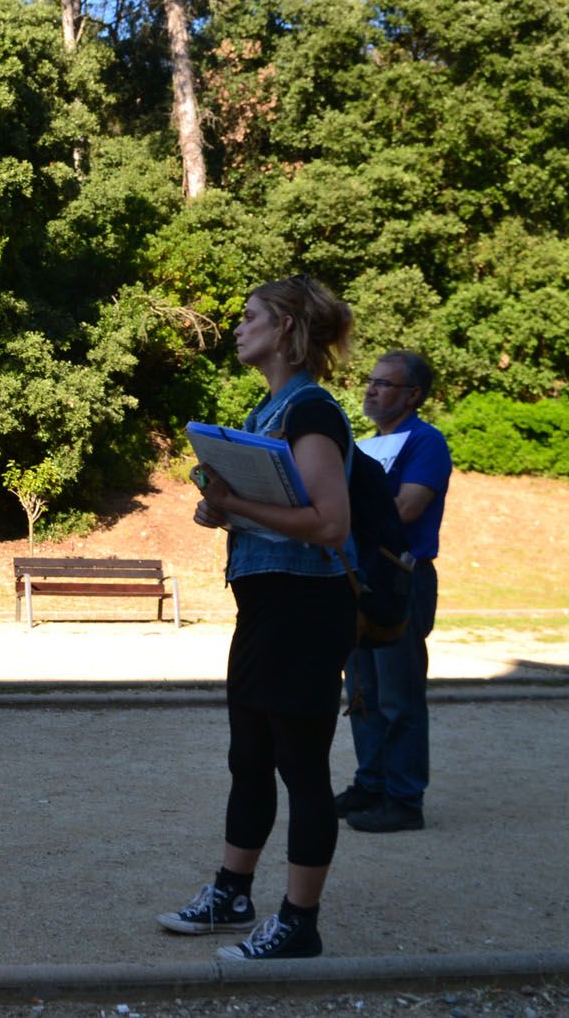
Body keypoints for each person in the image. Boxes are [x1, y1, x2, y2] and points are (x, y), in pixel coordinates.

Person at [159, 274, 357, 961]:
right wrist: (222, 506)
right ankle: (232, 892)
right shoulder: (261, 415)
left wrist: (237, 506)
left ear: (286, 328)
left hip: (307, 608)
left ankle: (300, 925)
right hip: (266, 607)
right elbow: (276, 517)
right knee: (249, 758)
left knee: (302, 767)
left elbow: (330, 524)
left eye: (250, 317)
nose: (238, 327)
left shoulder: (312, 413)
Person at [336, 351, 451, 833]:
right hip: (359, 577)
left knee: (399, 695)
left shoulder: (426, 442)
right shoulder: (362, 446)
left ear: (412, 395)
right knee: (362, 690)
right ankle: (372, 783)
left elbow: (405, 509)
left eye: (385, 384)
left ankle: (405, 799)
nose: (371, 389)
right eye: (371, 381)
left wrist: (339, 505)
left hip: (401, 579)